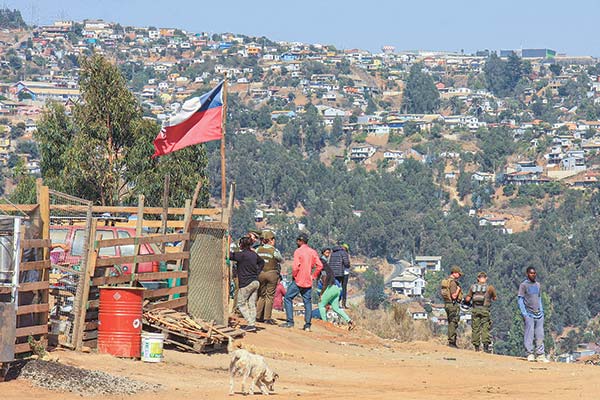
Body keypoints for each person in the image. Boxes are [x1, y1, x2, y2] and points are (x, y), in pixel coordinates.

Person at [281, 233, 323, 332]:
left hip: (299, 279)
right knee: (307, 302)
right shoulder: (313, 252)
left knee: (288, 298)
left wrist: (294, 276)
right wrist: (313, 276)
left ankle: (290, 322)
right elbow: (320, 265)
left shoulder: (298, 251)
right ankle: (307, 325)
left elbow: (295, 267)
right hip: (308, 280)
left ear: (300, 241)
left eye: (297, 241)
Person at [230, 236, 264, 332]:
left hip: (246, 283)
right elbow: (262, 262)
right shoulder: (253, 254)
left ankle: (250, 322)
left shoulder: (242, 255)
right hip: (255, 282)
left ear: (242, 245)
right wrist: (257, 272)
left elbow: (230, 255)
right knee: (251, 304)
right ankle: (252, 324)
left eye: (240, 243)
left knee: (240, 303)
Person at [318, 248, 354, 330]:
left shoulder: (322, 265)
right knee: (336, 308)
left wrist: (321, 294)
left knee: (321, 305)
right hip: (337, 288)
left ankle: (325, 324)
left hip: (330, 287)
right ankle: (349, 321)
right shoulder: (327, 265)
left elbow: (324, 278)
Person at [518, 267, 549, 363]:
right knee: (529, 334)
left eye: (534, 273)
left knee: (540, 335)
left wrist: (542, 311)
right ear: (527, 274)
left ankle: (540, 355)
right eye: (531, 273)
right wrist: (524, 313)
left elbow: (539, 298)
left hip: (539, 314)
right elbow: (520, 299)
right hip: (529, 314)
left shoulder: (538, 285)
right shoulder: (523, 285)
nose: (533, 275)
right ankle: (529, 353)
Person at [464, 272, 497, 352]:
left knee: (475, 328)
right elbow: (495, 298)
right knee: (485, 328)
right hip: (485, 310)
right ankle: (485, 347)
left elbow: (468, 298)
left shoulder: (473, 287)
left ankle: (476, 347)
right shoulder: (490, 288)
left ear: (478, 278)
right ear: (486, 278)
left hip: (475, 310)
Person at [256, 230, 283, 325]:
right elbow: (280, 259)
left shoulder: (258, 249)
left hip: (260, 273)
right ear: (271, 240)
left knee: (261, 295)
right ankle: (267, 318)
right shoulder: (274, 250)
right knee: (269, 296)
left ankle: (258, 316)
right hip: (272, 274)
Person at [440, 266, 463, 348]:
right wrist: (458, 290)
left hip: (447, 304)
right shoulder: (453, 283)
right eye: (459, 274)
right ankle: (452, 342)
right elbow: (454, 296)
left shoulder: (446, 281)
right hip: (452, 305)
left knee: (450, 322)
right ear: (454, 273)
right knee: (453, 322)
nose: (460, 276)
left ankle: (451, 341)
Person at [328, 243, 350, 307]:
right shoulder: (344, 253)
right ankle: (343, 304)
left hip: (334, 273)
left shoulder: (333, 253)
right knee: (344, 288)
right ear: (345, 248)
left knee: (336, 288)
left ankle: (335, 303)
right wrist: (349, 265)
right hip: (343, 273)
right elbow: (346, 264)